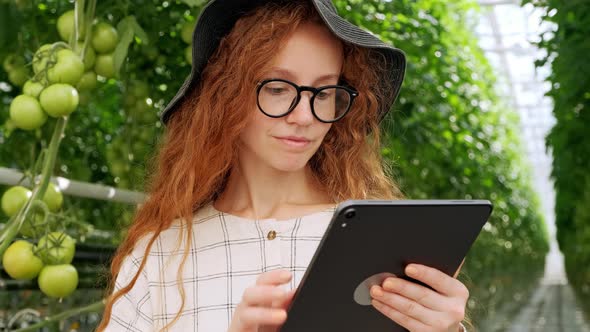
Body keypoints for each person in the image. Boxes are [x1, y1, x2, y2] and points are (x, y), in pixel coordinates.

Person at [97, 0, 470, 331]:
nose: (305, 115)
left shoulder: (384, 242)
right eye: (277, 88)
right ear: (225, 96)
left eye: (324, 92)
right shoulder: (162, 255)